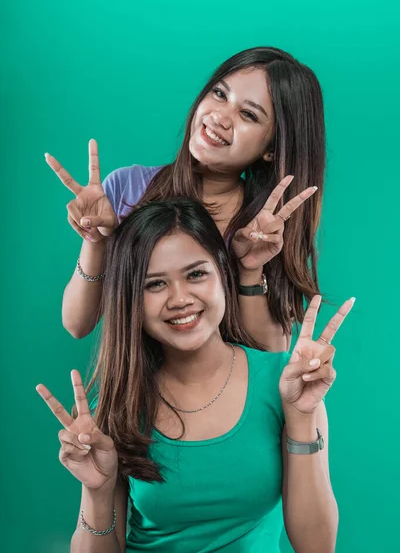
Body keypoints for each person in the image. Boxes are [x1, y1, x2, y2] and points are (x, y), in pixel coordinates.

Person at [37, 200, 354, 553]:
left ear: (222, 273)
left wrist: (302, 416)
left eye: (195, 274)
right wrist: (96, 493)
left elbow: (317, 547)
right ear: (131, 301)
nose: (179, 299)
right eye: (154, 284)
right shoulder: (114, 407)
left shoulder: (285, 384)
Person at [45, 46, 325, 351]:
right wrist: (95, 240)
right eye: (220, 94)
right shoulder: (127, 187)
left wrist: (251, 269)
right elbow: (77, 324)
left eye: (248, 114)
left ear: (272, 148)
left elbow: (269, 356)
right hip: (136, 390)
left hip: (222, 396)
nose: (220, 117)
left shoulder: (264, 226)